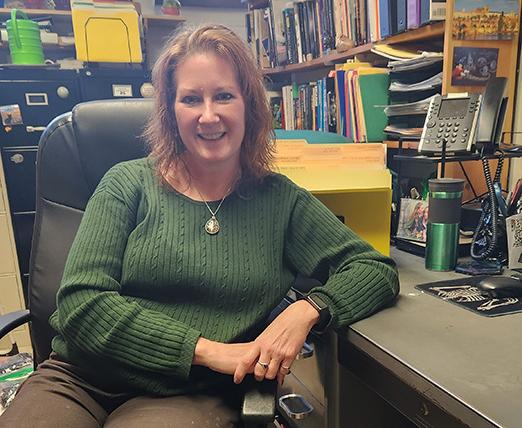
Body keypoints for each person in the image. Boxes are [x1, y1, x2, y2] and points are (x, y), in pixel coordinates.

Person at [1, 24, 399, 427]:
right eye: (191, 99)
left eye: (224, 95)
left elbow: (373, 269)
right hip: (80, 378)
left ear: (249, 105)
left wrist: (306, 310)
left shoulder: (280, 201)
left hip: (187, 394)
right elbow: (81, 303)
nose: (209, 116)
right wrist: (206, 349)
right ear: (171, 112)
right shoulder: (127, 183)